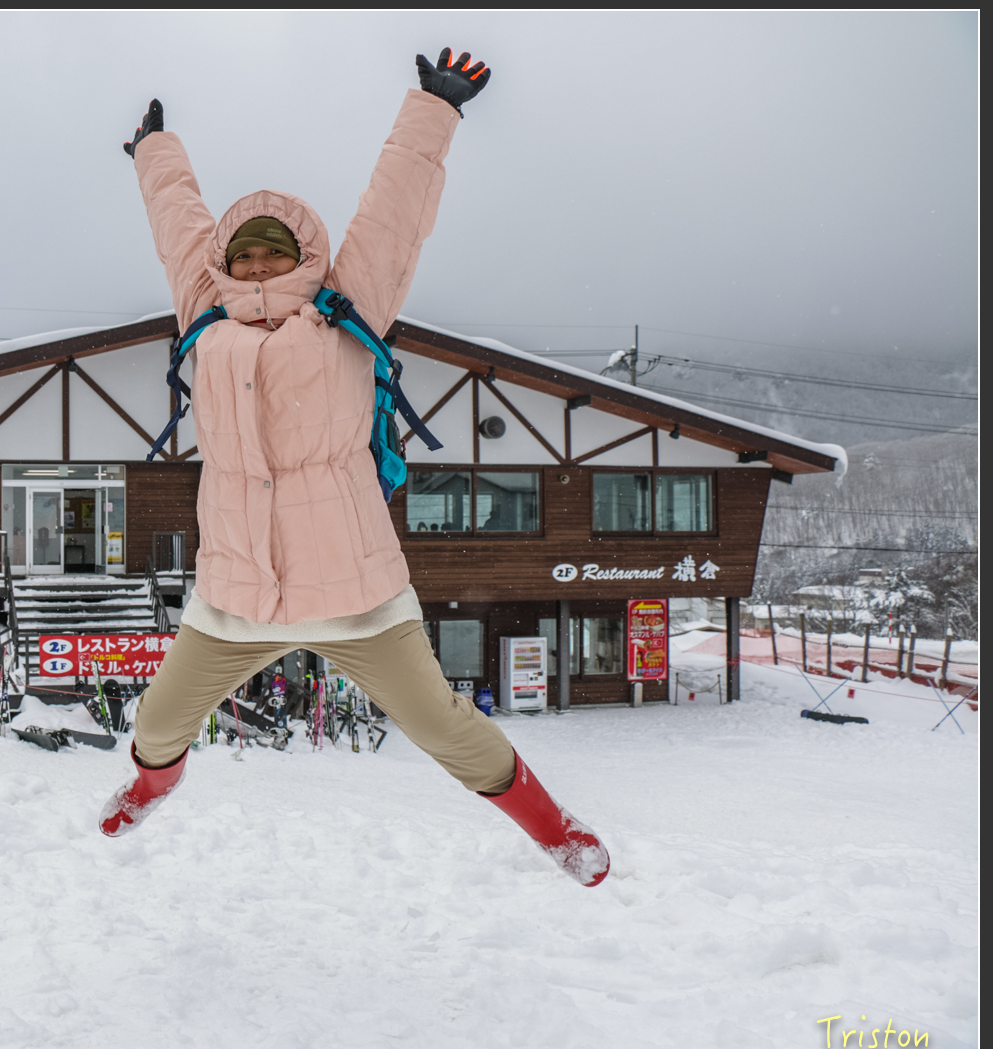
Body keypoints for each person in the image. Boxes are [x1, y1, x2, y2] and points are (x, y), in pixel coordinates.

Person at [98, 49, 610, 887]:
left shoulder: (347, 311)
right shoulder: (205, 317)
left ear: (302, 257)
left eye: (275, 253)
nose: (259, 266)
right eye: (247, 255)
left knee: (448, 729)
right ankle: (153, 786)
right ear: (229, 265)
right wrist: (156, 152)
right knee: (157, 721)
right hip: (235, 594)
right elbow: (179, 228)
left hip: (356, 594)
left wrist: (432, 110)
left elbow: (393, 215)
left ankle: (557, 831)